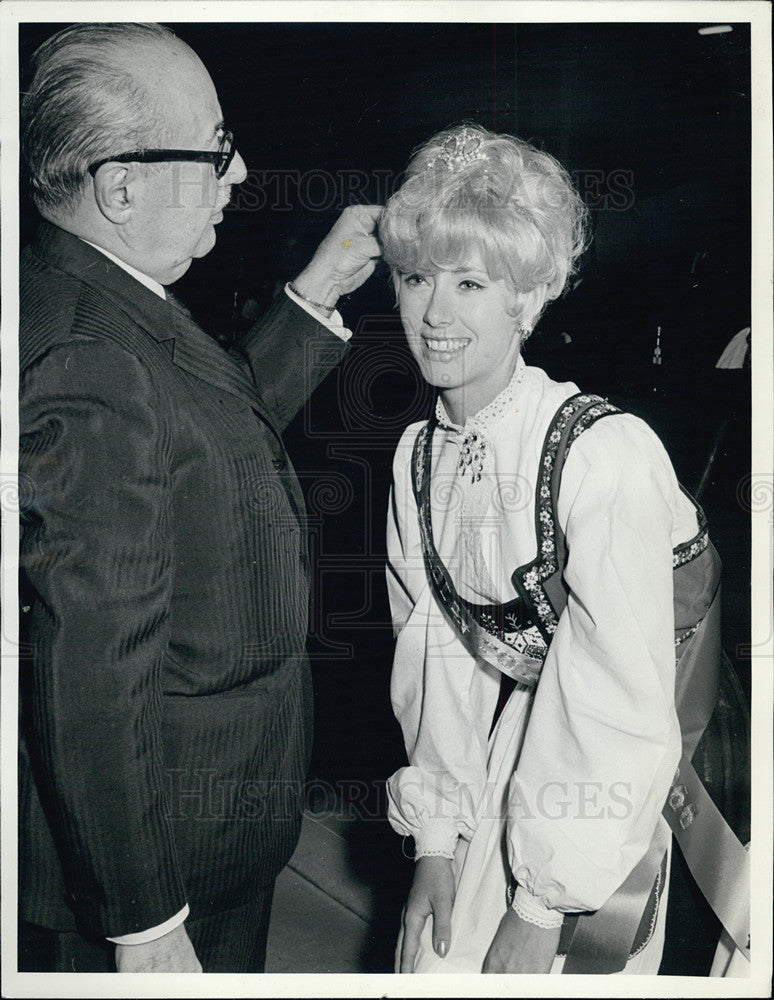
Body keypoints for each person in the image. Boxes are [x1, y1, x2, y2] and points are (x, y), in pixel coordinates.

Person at [18, 22, 380, 974]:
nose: (242, 170)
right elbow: (90, 667)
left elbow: (193, 434)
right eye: (216, 148)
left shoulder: (97, 288)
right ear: (121, 183)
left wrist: (313, 294)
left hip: (202, 827)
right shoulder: (91, 356)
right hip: (165, 861)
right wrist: (144, 922)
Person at [379, 124, 731, 974]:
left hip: (652, 749)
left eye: (471, 282)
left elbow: (617, 696)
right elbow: (438, 653)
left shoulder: (601, 451)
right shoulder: (417, 456)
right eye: (416, 276)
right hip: (546, 721)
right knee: (436, 961)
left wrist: (542, 909)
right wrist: (437, 839)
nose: (434, 312)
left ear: (528, 299)